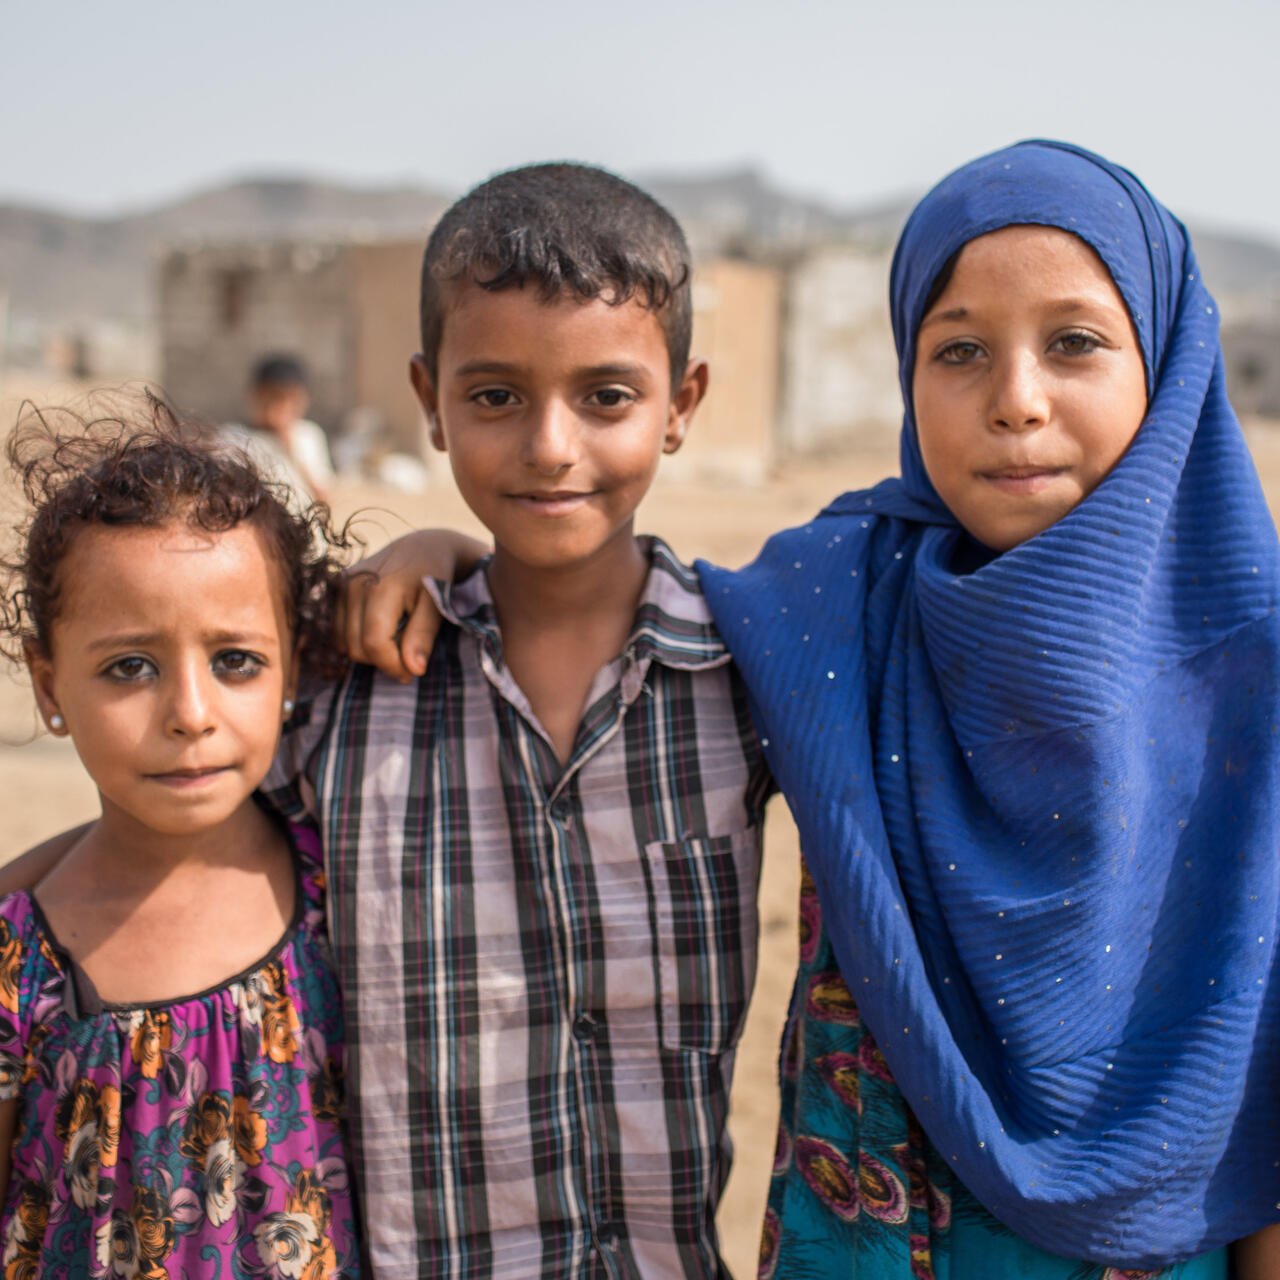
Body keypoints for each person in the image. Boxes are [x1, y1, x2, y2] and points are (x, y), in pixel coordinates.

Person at [346, 142, 1278, 1276]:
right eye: (957, 351)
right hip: (862, 1239)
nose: (1016, 401)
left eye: (1074, 343)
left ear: (1168, 359)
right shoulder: (842, 599)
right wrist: (443, 556)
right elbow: (584, 587)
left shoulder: (1253, 673)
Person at [261, 164, 773, 1277]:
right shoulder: (344, 684)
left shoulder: (749, 674)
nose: (549, 444)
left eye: (606, 396)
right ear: (429, 400)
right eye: (494, 395)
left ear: (680, 405)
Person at [0, 397, 359, 1276]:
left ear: (293, 666)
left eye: (236, 660)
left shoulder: (340, 881)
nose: (191, 716)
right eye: (131, 668)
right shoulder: (22, 956)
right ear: (50, 686)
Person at [222, 354, 335, 503]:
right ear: (255, 396)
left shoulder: (307, 435)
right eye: (274, 398)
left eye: (292, 400)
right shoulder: (235, 436)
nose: (282, 407)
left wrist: (291, 446)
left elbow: (323, 495)